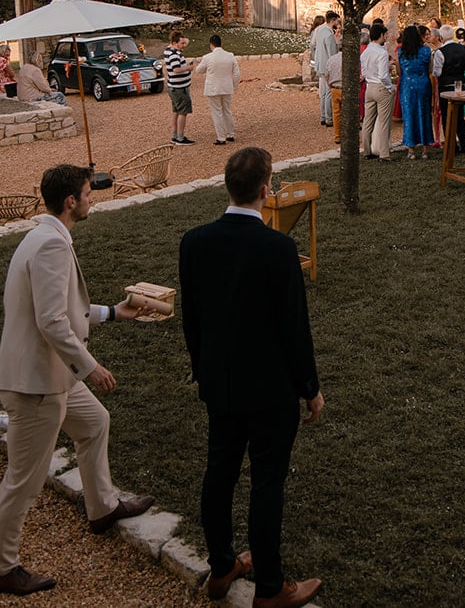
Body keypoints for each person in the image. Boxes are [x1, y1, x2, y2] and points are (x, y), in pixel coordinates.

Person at [0, 164, 152, 596]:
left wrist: (114, 312)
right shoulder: (50, 247)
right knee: (24, 480)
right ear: (70, 201)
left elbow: (63, 309)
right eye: (87, 193)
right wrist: (90, 367)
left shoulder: (45, 237)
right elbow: (52, 321)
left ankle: (102, 508)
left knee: (94, 423)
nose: (92, 198)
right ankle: (1, 568)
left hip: (50, 374)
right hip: (36, 382)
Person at [179, 147, 323, 608]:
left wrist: (203, 372)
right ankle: (270, 588)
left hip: (220, 382)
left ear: (228, 186)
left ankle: (221, 567)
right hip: (270, 388)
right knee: (266, 481)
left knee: (219, 473)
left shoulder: (194, 241)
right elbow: (293, 327)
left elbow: (193, 320)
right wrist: (311, 389)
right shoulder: (278, 248)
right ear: (266, 190)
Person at [435, 27, 465, 154]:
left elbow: (437, 71)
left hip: (446, 85)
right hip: (460, 84)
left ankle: (452, 145)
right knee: (459, 116)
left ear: (441, 37)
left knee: (447, 117)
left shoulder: (440, 52)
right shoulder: (462, 48)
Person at [396, 25, 433, 160]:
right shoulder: (426, 50)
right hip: (423, 84)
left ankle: (411, 150)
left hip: (407, 85)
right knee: (424, 114)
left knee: (409, 115)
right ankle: (425, 149)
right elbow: (430, 69)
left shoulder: (401, 52)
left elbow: (399, 72)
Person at [196, 34, 241, 145]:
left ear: (211, 44)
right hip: (227, 87)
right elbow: (237, 74)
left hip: (213, 88)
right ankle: (230, 134)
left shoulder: (207, 57)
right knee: (227, 111)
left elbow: (199, 70)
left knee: (217, 112)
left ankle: (221, 137)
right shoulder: (230, 56)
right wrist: (233, 85)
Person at [360, 24, 394, 161]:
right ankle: (384, 154)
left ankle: (367, 151)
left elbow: (364, 70)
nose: (386, 37)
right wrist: (391, 87)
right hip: (381, 87)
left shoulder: (366, 51)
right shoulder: (382, 53)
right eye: (385, 35)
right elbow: (383, 75)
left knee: (368, 121)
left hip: (369, 87)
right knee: (384, 122)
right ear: (381, 35)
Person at [164, 31, 196, 146]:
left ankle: (175, 135)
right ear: (174, 43)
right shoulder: (173, 55)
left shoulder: (170, 50)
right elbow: (176, 69)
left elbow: (184, 42)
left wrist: (181, 43)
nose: (184, 45)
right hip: (179, 88)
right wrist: (188, 68)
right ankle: (180, 138)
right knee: (183, 112)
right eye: (182, 43)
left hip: (175, 86)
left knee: (176, 111)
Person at [310, 12, 341, 127]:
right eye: (337, 21)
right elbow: (332, 55)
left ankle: (323, 116)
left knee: (323, 93)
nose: (338, 23)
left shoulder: (320, 31)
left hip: (320, 64)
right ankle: (328, 118)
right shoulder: (328, 35)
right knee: (328, 93)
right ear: (332, 21)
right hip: (326, 66)